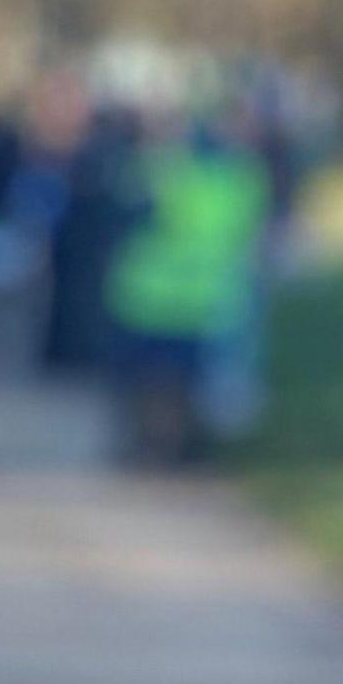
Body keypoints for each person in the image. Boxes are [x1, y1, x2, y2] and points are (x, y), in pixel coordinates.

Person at [103, 106, 273, 467]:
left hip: (147, 296)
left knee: (140, 382)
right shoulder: (246, 178)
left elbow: (119, 214)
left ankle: (144, 445)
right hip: (207, 301)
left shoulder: (160, 170)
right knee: (189, 386)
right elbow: (254, 241)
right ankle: (183, 450)